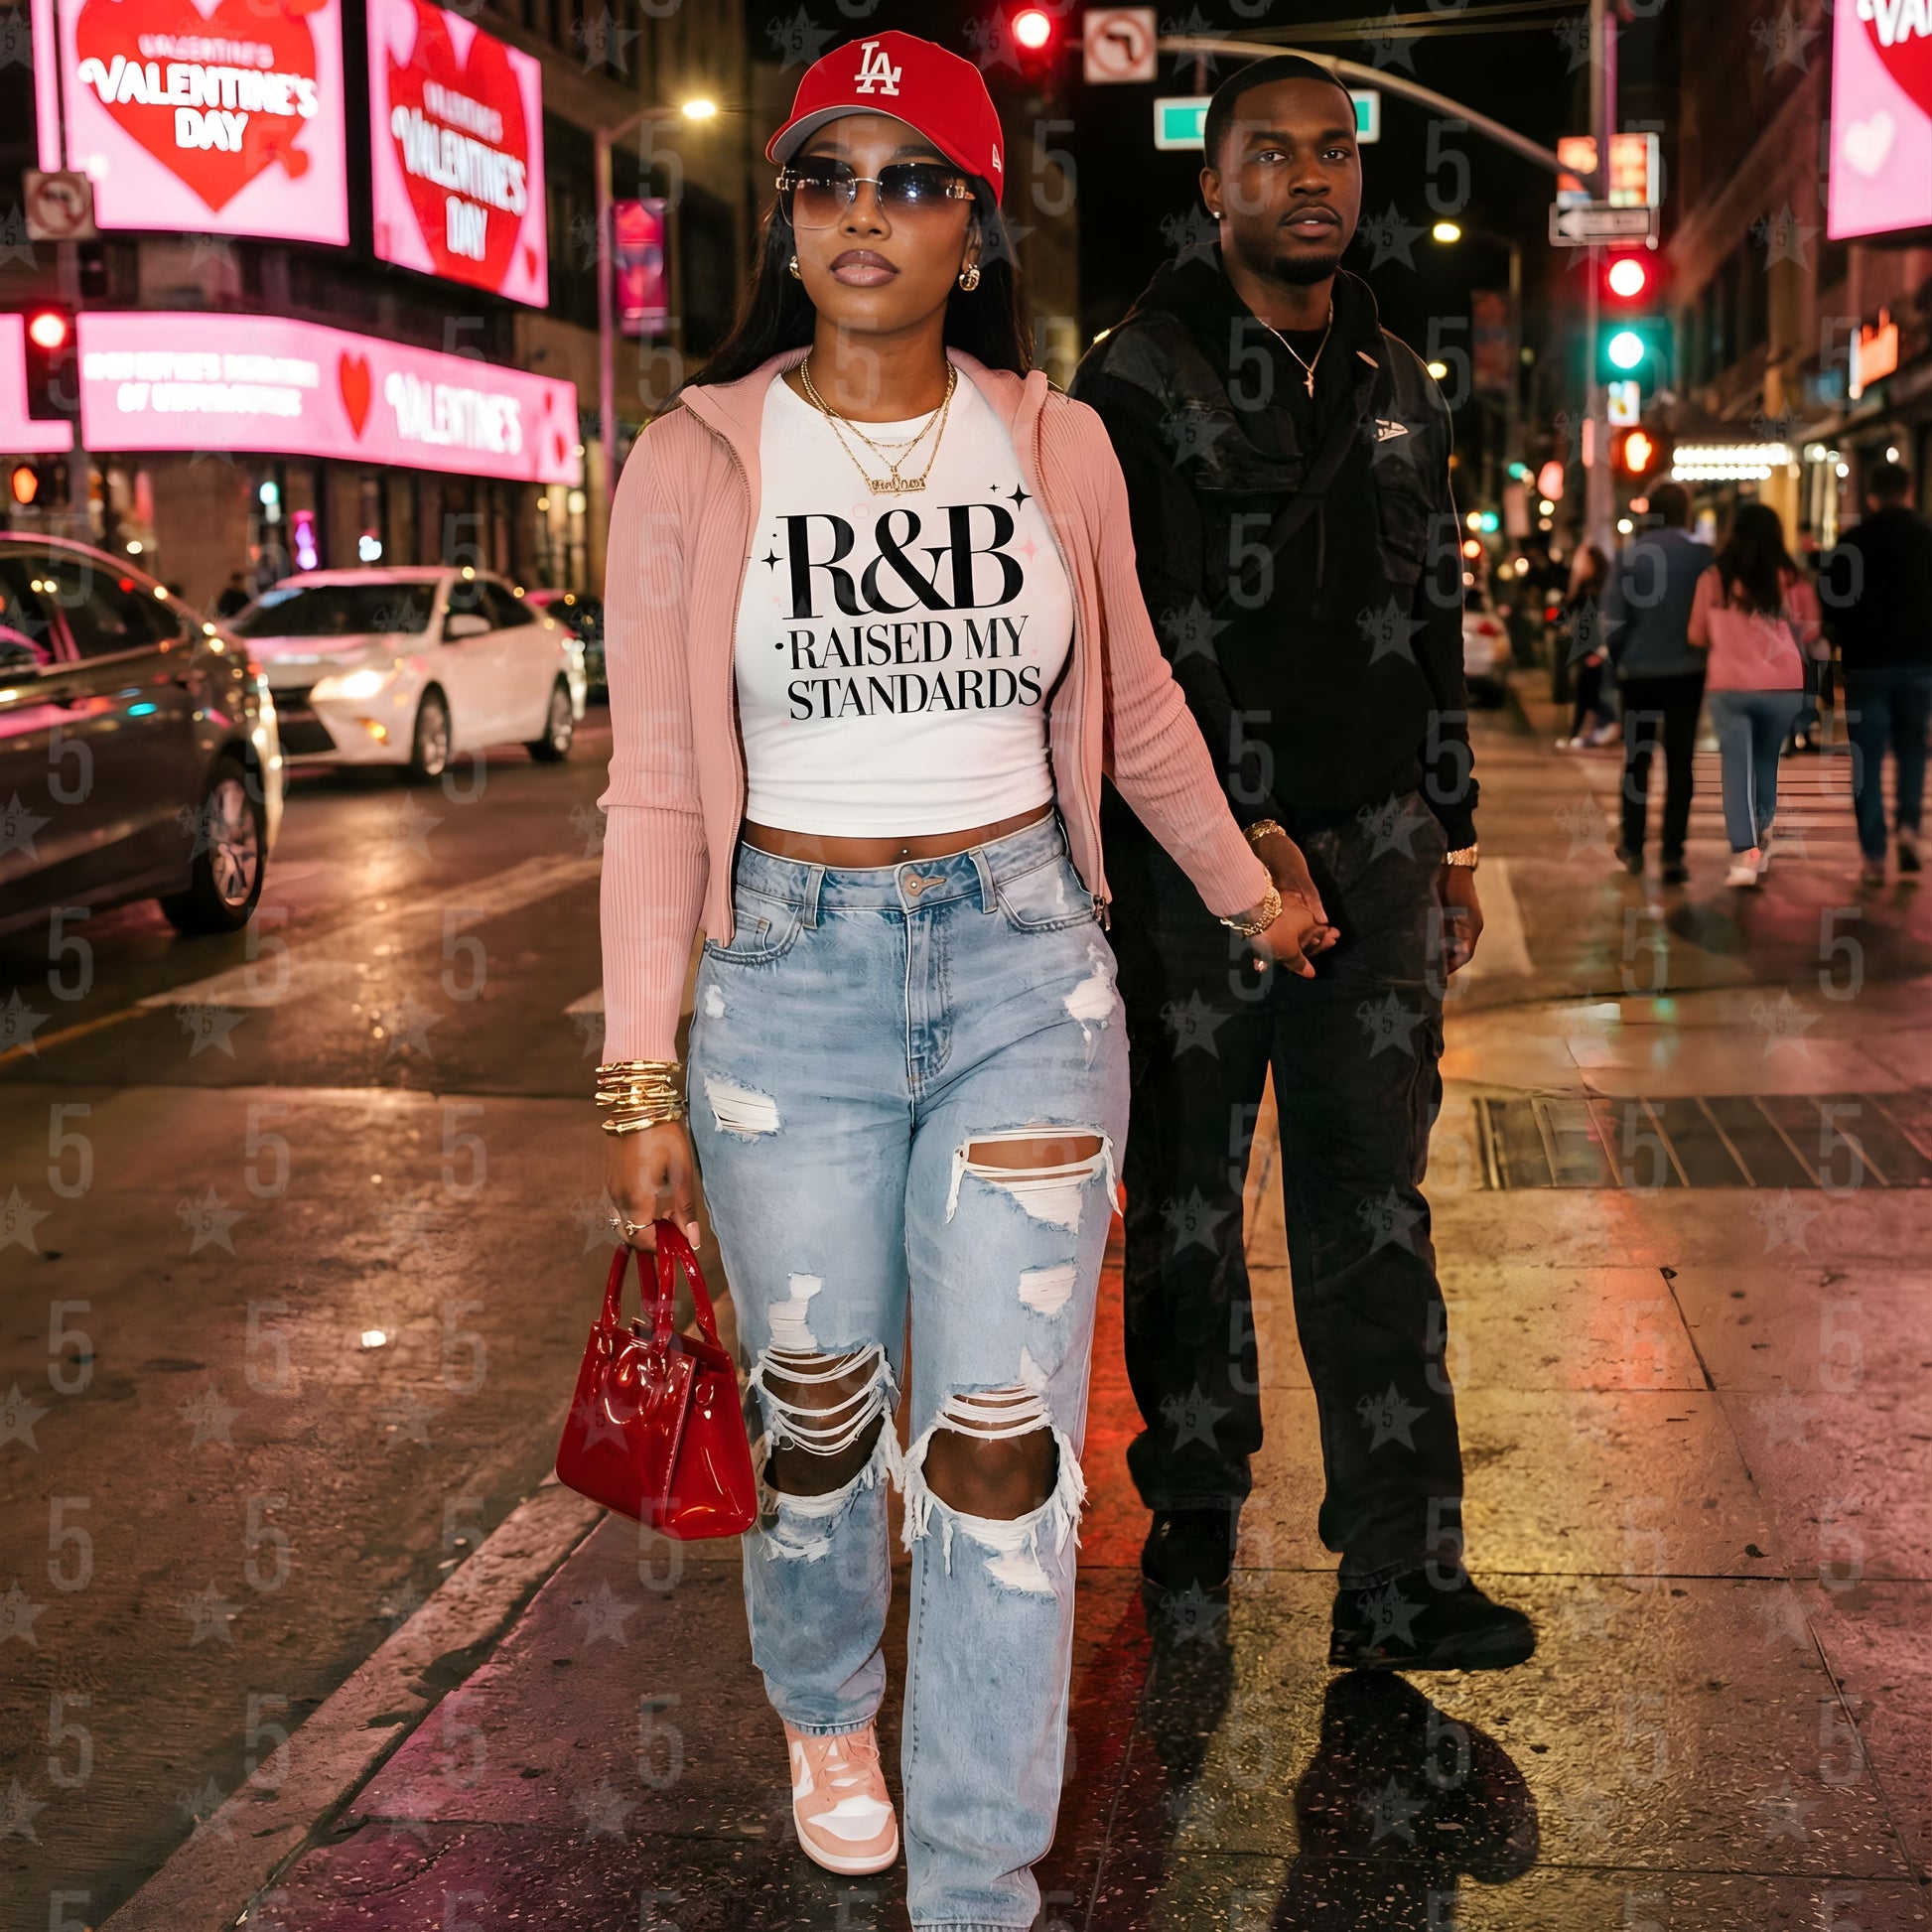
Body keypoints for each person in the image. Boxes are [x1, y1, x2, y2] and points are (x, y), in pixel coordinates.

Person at [594, 33, 1332, 1927]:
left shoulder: (1054, 441)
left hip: (1020, 962)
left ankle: (980, 1885)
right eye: (828, 176)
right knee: (819, 1422)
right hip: (787, 982)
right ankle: (826, 1702)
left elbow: (1140, 705)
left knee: (999, 1456)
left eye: (911, 177)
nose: (866, 211)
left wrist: (1252, 894)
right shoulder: (690, 458)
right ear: (789, 219)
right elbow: (658, 786)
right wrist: (634, 1074)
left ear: (975, 232)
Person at [1069, 53, 1534, 1672]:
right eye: (1270, 155)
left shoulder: (1402, 379)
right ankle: (1194, 1495)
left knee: (1372, 1207)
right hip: (1202, 865)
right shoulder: (1137, 377)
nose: (1310, 177)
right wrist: (1239, 831)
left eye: (1333, 151)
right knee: (1191, 1193)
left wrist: (1455, 834)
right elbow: (1141, 645)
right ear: (1213, 186)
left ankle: (1401, 1562)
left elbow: (1431, 622)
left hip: (1382, 848)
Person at [1688, 501, 1825, 889]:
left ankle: (1744, 852)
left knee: (1736, 768)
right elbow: (1811, 632)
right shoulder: (1792, 579)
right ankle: (1761, 838)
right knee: (1767, 763)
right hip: (1783, 687)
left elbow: (1696, 635)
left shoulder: (1713, 578)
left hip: (1729, 686)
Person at [1826, 461, 1932, 885]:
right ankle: (1908, 826)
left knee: (1866, 759)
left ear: (1870, 496)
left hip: (1866, 665)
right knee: (1912, 750)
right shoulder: (1927, 539)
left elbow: (1832, 606)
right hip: (1919, 662)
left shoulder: (1851, 544)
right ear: (1909, 490)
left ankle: (1873, 853)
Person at [1606, 481, 1708, 886]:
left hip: (1640, 674)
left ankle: (1632, 845)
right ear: (1686, 512)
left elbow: (1612, 622)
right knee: (1681, 763)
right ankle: (1672, 853)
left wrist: (1618, 666)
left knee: (1638, 760)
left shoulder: (1631, 557)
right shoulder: (1704, 556)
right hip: (1689, 672)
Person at [1559, 540, 1618, 748]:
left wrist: (1600, 650)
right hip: (1587, 650)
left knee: (1587, 694)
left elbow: (1601, 622)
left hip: (1594, 651)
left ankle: (1607, 724)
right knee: (1586, 694)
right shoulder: (1585, 589)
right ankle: (1584, 732)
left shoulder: (1597, 591)